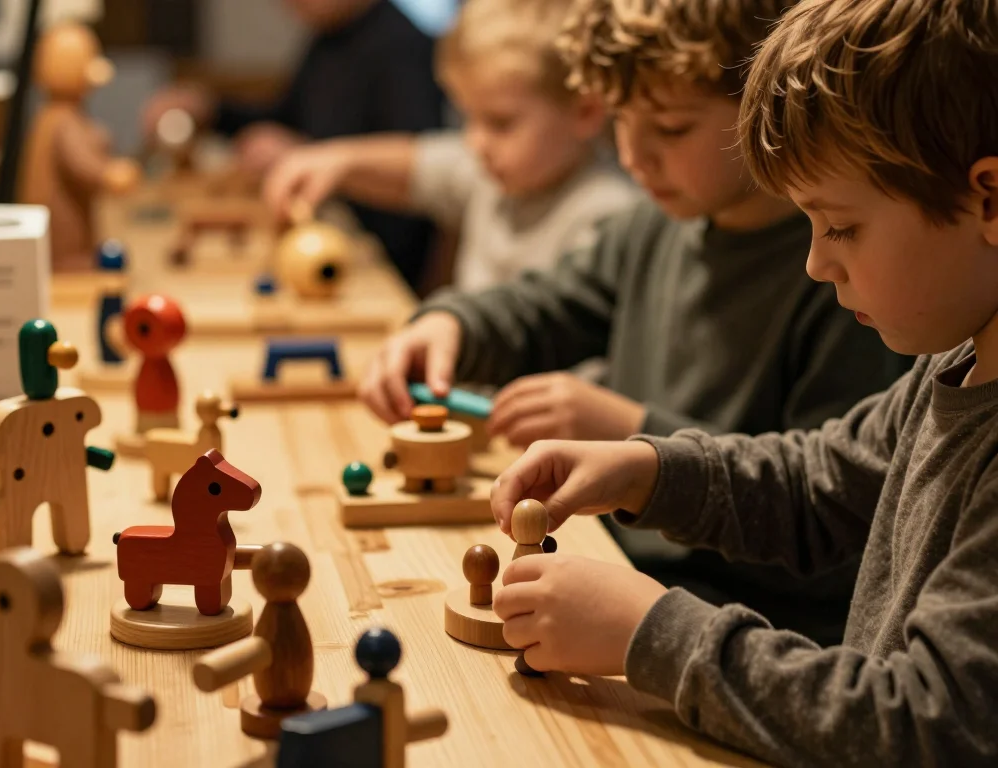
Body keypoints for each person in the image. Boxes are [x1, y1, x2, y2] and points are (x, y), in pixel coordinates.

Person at [488, 0, 998, 764]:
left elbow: (925, 723)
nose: (816, 262)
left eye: (841, 226)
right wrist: (648, 469)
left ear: (989, 200)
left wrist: (649, 633)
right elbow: (821, 483)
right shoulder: (952, 360)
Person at [356, 0, 906, 644]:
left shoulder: (848, 278)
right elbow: (550, 305)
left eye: (671, 128)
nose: (635, 154)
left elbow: (833, 516)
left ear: (767, 113)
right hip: (626, 571)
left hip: (743, 626)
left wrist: (630, 431)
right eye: (620, 119)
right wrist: (451, 325)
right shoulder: (655, 227)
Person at [264, 0, 640, 293]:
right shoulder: (497, 173)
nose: (476, 142)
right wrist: (338, 162)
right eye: (468, 118)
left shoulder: (605, 216)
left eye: (500, 123)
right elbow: (419, 165)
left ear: (586, 112)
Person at [140, 0, 444, 290]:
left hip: (375, 258)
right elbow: (284, 119)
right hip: (320, 229)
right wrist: (210, 109)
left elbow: (415, 163)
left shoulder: (404, 47)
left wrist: (306, 153)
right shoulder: (328, 38)